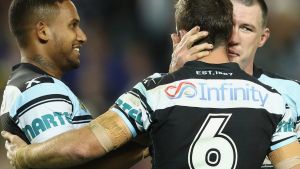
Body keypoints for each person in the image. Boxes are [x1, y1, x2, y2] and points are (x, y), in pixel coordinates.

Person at [2, 0, 300, 168]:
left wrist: (23, 156)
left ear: (181, 34)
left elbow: (83, 148)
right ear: (227, 33)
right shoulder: (273, 100)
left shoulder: (154, 93)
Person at [0, 0, 148, 169]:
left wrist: (143, 145)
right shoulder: (37, 89)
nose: (82, 36)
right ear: (43, 32)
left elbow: (86, 164)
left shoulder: (33, 86)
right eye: (73, 26)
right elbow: (72, 156)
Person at [169, 0, 300, 168]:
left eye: (246, 28)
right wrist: (175, 78)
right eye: (227, 26)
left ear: (262, 38)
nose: (233, 38)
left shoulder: (293, 94)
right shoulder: (171, 88)